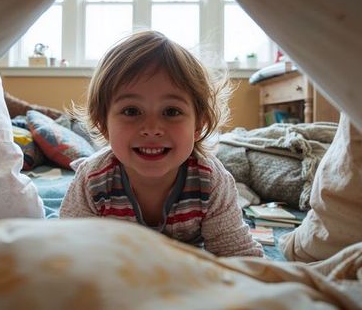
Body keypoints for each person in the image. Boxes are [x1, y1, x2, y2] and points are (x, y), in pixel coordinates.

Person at [60, 31, 263, 257]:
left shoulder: (210, 180)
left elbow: (238, 255)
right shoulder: (92, 180)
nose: (152, 128)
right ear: (103, 124)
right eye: (131, 111)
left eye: (171, 111)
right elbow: (68, 253)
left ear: (199, 125)